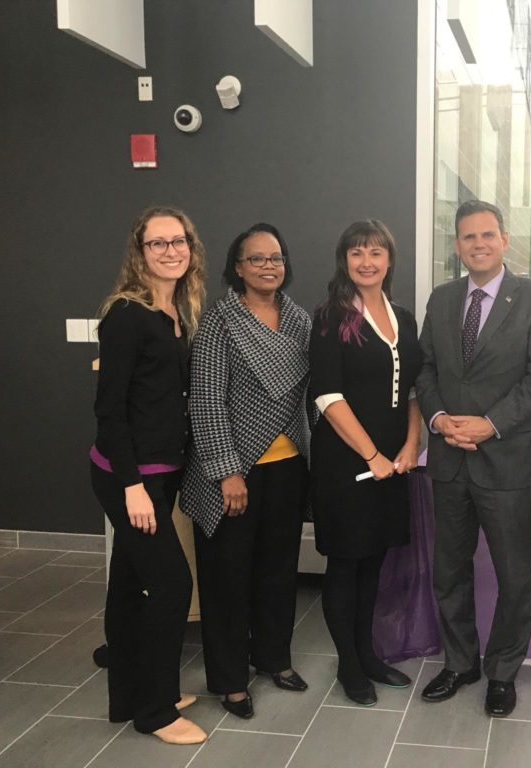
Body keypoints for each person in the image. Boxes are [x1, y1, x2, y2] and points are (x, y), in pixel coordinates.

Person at [416, 200, 531, 718]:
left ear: (504, 240)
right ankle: (460, 663)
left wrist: (492, 422)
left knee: (513, 574)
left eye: (487, 235)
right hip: (449, 458)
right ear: (456, 245)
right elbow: (426, 367)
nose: (477, 244)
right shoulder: (443, 297)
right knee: (449, 571)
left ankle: (502, 671)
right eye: (467, 237)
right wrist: (438, 420)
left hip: (507, 460)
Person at [180, 223, 312, 720]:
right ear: (237, 268)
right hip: (233, 471)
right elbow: (207, 402)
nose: (267, 266)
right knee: (227, 580)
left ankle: (274, 658)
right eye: (255, 258)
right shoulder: (220, 322)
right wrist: (226, 471)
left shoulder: (299, 320)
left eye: (274, 257)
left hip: (288, 466)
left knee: (279, 572)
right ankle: (231, 680)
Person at [89, 206, 207, 745]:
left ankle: (128, 693)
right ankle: (155, 711)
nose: (169, 251)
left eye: (177, 241)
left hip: (161, 473)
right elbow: (109, 410)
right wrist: (133, 484)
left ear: (190, 247)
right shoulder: (126, 315)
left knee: (124, 586)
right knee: (171, 584)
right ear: (140, 252)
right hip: (127, 477)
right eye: (157, 243)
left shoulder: (176, 309)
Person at [308, 219, 423, 706]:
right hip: (347, 463)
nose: (367, 261)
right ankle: (349, 666)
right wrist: (372, 455)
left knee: (374, 560)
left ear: (389, 260)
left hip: (393, 465)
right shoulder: (332, 317)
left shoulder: (404, 316)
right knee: (346, 563)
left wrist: (410, 446)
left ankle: (369, 653)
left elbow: (415, 391)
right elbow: (327, 396)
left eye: (376, 252)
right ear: (344, 260)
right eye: (357, 253)